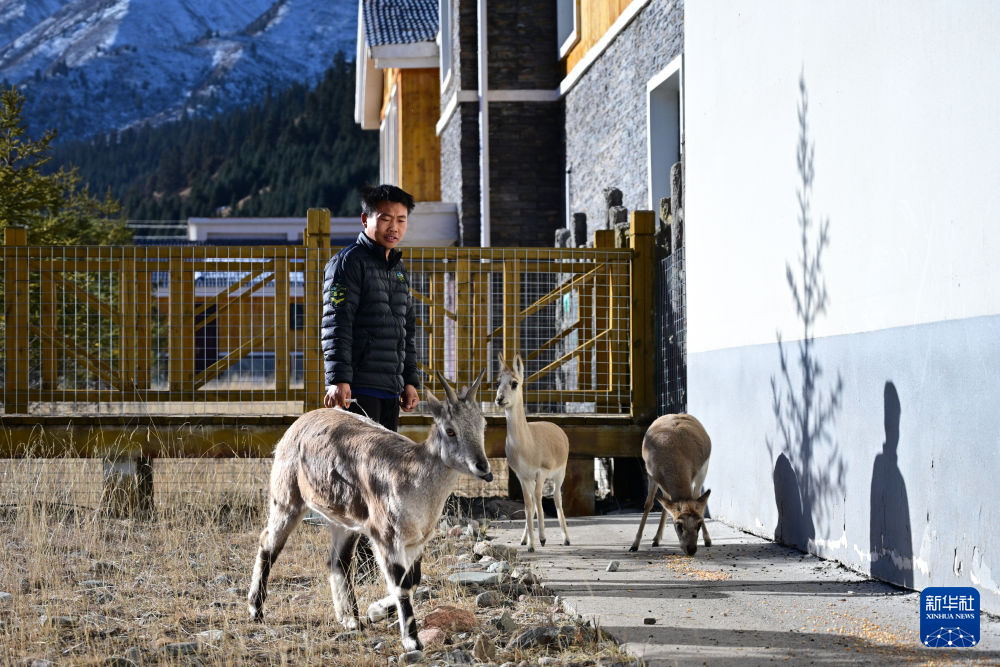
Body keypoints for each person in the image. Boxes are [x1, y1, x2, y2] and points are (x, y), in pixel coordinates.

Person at [321, 184, 421, 430]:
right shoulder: (347, 263)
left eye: (401, 220)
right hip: (357, 388)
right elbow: (337, 323)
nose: (394, 227)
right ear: (365, 220)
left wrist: (409, 381)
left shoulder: (398, 269)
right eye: (386, 219)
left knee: (387, 455)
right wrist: (339, 379)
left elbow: (406, 332)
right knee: (358, 455)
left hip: (391, 389)